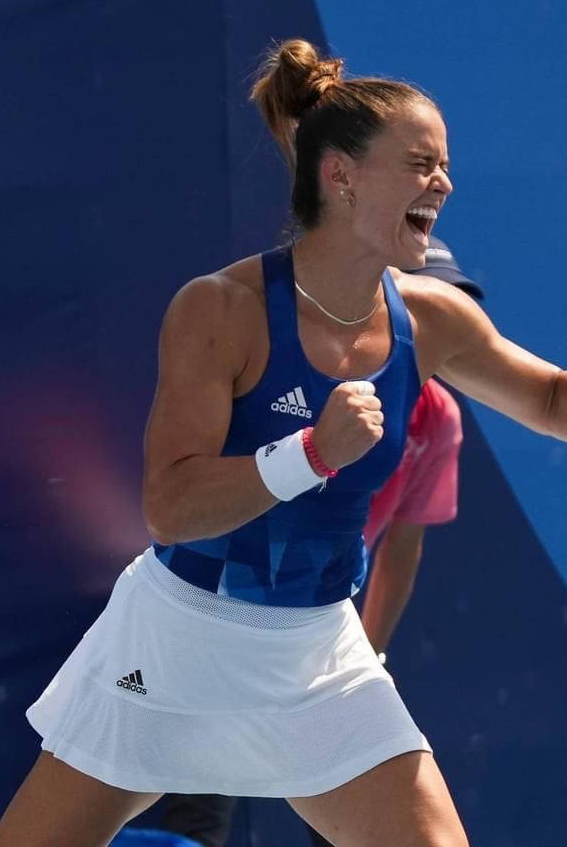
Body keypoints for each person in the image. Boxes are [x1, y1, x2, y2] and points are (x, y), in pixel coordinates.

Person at [0, 38, 567, 847]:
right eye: (418, 163)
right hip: (176, 638)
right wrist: (310, 455)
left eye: (443, 165)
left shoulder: (433, 318)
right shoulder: (218, 310)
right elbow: (170, 506)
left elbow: (548, 396)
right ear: (339, 176)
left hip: (314, 654)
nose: (442, 182)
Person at [150, 242, 482, 847]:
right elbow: (179, 505)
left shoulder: (440, 420)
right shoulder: (289, 361)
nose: (440, 318)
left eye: (455, 303)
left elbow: (403, 542)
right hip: (216, 618)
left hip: (317, 629)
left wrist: (370, 650)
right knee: (188, 811)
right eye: (425, 298)